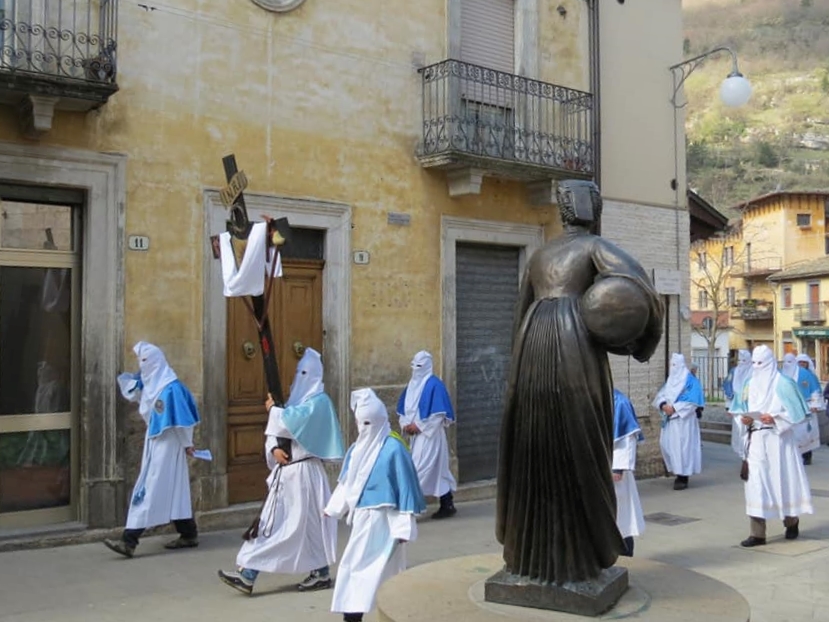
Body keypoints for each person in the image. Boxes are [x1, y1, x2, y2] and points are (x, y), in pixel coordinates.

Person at [496, 179, 663, 585]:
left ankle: (528, 561)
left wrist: (516, 368)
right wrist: (639, 339)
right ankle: (580, 560)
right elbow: (640, 291)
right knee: (580, 441)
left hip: (532, 344)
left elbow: (519, 314)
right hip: (574, 343)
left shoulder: (540, 254)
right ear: (593, 208)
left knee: (535, 447)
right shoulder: (593, 247)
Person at [218, 348, 345, 595]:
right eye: (299, 372)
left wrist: (274, 410)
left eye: (306, 373)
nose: (301, 377)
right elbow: (276, 432)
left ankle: (250, 573)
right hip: (287, 473)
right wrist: (274, 449)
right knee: (281, 524)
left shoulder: (319, 403)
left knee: (295, 526)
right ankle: (317, 573)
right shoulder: (294, 404)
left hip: (306, 474)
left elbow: (290, 422)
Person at [326, 388, 426, 622]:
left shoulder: (394, 448)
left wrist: (403, 528)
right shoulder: (357, 448)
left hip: (387, 521)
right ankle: (352, 616)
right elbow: (347, 481)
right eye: (362, 423)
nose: (364, 428)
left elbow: (405, 489)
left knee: (387, 572)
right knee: (354, 567)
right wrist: (334, 507)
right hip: (363, 520)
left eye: (369, 423)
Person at [104, 342, 201, 558]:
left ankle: (129, 540)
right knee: (176, 488)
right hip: (156, 441)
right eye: (141, 360)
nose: (142, 365)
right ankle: (188, 533)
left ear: (157, 361)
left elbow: (183, 420)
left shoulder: (171, 387)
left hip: (169, 444)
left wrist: (187, 443)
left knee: (149, 486)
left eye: (146, 360)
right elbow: (131, 390)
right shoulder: (151, 382)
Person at [729, 345, 813, 547]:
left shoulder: (784, 384)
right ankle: (757, 533)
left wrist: (775, 418)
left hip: (779, 442)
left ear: (770, 363)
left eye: (761, 363)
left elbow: (799, 414)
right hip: (756, 441)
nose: (757, 367)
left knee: (782, 481)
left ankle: (791, 522)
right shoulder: (748, 384)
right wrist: (745, 419)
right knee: (756, 484)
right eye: (754, 363)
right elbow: (739, 409)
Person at [396, 351, 457, 519]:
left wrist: (420, 426)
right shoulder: (411, 386)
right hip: (415, 437)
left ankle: (410, 508)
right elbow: (404, 410)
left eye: (419, 366)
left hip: (431, 437)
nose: (416, 370)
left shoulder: (435, 385)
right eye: (414, 366)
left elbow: (439, 414)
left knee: (418, 469)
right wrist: (406, 425)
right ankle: (447, 503)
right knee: (438, 470)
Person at [654, 353, 705, 491]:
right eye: (672, 365)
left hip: (684, 422)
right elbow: (661, 395)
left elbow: (693, 401)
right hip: (670, 421)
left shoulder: (691, 381)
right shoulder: (670, 380)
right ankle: (676, 470)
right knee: (667, 446)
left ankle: (683, 476)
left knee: (683, 449)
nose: (673, 368)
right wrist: (663, 405)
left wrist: (675, 408)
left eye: (675, 365)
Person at [612, 389, 645, 557]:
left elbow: (628, 438)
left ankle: (625, 553)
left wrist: (618, 467)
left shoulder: (620, 402)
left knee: (621, 516)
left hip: (614, 472)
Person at [792, 354, 822, 465]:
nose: (801, 365)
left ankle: (807, 456)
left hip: (808, 408)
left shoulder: (811, 376)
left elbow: (816, 391)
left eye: (804, 363)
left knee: (807, 433)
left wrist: (816, 404)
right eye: (799, 362)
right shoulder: (791, 375)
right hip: (795, 408)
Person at [724, 350, 753, 457]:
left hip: (750, 409)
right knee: (738, 433)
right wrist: (728, 406)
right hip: (736, 408)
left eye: (744, 360)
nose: (741, 363)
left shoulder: (754, 373)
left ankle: (748, 456)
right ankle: (742, 455)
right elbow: (728, 388)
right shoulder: (733, 372)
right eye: (740, 360)